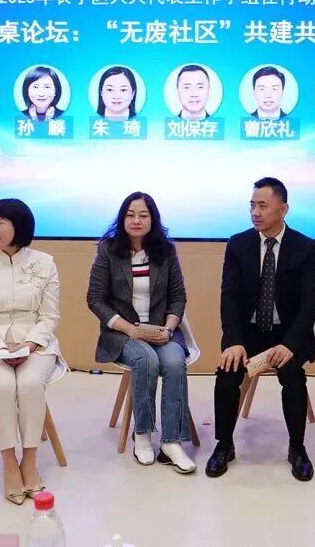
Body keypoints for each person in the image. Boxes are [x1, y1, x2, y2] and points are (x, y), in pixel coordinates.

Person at [205, 177, 315, 481]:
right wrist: (233, 340)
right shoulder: (238, 244)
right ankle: (224, 444)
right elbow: (228, 296)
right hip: (248, 334)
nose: (255, 212)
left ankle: (297, 448)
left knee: (293, 375)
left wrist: (290, 344)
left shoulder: (305, 247)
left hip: (287, 334)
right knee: (227, 373)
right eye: (252, 205)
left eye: (263, 206)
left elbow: (310, 304)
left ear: (283, 209)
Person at [0, 198, 66, 505]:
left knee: (30, 384)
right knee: (3, 385)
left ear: (19, 226)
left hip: (35, 341)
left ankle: (29, 462)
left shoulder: (45, 263)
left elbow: (50, 316)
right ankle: (8, 464)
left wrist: (30, 345)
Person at [87, 192, 196, 473]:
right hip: (123, 333)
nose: (136, 220)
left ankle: (171, 442)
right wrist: (129, 329)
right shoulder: (108, 251)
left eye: (143, 215)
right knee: (146, 359)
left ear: (153, 219)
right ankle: (143, 435)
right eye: (130, 215)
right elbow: (95, 299)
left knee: (174, 361)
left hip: (160, 329)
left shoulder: (166, 251)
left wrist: (168, 328)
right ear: (122, 218)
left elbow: (178, 297)